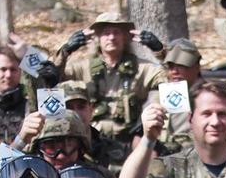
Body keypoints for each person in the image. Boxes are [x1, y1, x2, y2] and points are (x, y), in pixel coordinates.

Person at [56, 12, 166, 149]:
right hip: (89, 142)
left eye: (116, 32)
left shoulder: (142, 68)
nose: (112, 37)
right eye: (106, 33)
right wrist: (65, 51)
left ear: (125, 37)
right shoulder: (82, 68)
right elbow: (51, 79)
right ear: (97, 37)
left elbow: (172, 79)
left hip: (130, 143)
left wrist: (160, 52)